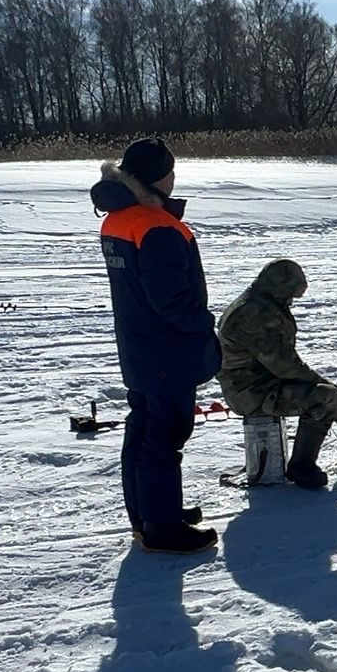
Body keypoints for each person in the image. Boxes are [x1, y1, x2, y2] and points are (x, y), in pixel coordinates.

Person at [93, 138, 221, 553]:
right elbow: (171, 299)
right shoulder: (156, 225)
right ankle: (162, 527)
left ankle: (150, 513)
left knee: (144, 429)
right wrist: (203, 323)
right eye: (169, 170)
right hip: (166, 348)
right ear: (155, 177)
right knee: (164, 434)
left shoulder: (119, 218)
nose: (173, 177)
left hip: (138, 345)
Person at [216, 259, 337, 489]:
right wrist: (331, 389)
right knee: (324, 397)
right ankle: (302, 465)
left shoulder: (258, 302)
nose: (290, 301)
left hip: (260, 385)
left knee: (330, 393)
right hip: (252, 393)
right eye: (290, 295)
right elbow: (285, 366)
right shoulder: (255, 313)